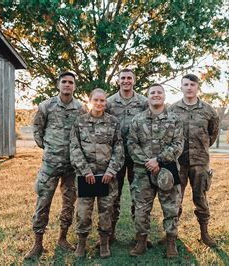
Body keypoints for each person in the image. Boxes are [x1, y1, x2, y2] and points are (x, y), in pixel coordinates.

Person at [25, 71, 87, 259]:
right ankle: (37, 244)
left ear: (74, 86)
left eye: (71, 82)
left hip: (72, 166)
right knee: (43, 202)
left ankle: (62, 237)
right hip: (50, 165)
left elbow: (84, 131)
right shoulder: (46, 106)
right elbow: (37, 128)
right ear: (58, 85)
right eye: (64, 82)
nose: (67, 85)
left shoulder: (81, 108)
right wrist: (47, 147)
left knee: (69, 202)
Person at [127, 84, 183, 258]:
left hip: (168, 169)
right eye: (153, 93)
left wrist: (158, 160)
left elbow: (178, 144)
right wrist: (148, 162)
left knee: (170, 208)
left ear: (164, 96)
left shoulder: (175, 119)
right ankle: (141, 241)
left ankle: (171, 242)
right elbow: (131, 144)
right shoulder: (137, 120)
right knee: (141, 208)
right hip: (143, 171)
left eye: (159, 92)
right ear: (148, 96)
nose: (156, 95)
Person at [70, 88, 124, 258]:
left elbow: (118, 148)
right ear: (90, 101)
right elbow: (74, 148)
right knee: (84, 212)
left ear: (106, 103)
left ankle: (104, 243)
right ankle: (81, 243)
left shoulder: (113, 122)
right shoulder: (80, 122)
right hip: (86, 177)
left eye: (103, 101)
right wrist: (85, 171)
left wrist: (111, 171)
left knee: (106, 211)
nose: (100, 103)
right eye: (96, 100)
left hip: (107, 177)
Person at [169, 74, 220, 248]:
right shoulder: (172, 109)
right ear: (181, 87)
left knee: (200, 198)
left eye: (192, 84)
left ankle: (205, 234)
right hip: (178, 162)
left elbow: (212, 134)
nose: (189, 87)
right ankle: (171, 234)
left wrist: (200, 148)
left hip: (200, 163)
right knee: (175, 199)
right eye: (185, 84)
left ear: (198, 87)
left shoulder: (209, 111)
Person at [106, 68, 147, 242]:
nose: (126, 81)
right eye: (123, 78)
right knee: (112, 196)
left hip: (137, 156)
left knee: (139, 196)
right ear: (118, 81)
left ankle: (141, 235)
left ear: (134, 80)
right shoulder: (109, 102)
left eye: (129, 78)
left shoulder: (144, 102)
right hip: (116, 157)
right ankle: (110, 234)